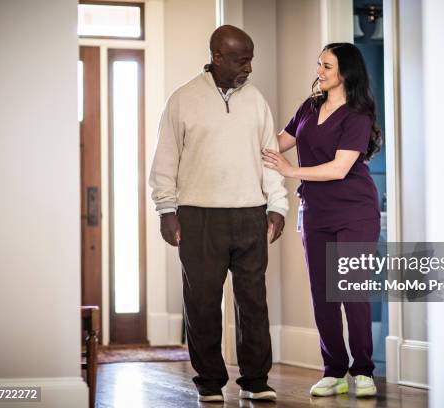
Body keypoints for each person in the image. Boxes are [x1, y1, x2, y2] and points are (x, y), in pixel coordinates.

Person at [149, 25, 288, 403]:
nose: (249, 67)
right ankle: (209, 382)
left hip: (250, 215)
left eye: (251, 58)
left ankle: (257, 380)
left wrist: (277, 205)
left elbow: (269, 158)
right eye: (242, 59)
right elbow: (165, 160)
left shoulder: (256, 100)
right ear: (217, 56)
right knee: (203, 304)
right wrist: (166, 209)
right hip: (199, 216)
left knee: (253, 303)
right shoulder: (182, 100)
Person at [262, 42, 382, 398]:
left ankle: (363, 370)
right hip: (315, 212)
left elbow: (340, 167)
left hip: (355, 210)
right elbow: (277, 143)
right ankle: (334, 370)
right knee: (322, 294)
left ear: (345, 72)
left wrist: (290, 170)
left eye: (327, 66)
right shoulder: (309, 107)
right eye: (319, 64)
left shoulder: (358, 115)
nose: (320, 71)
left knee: (350, 289)